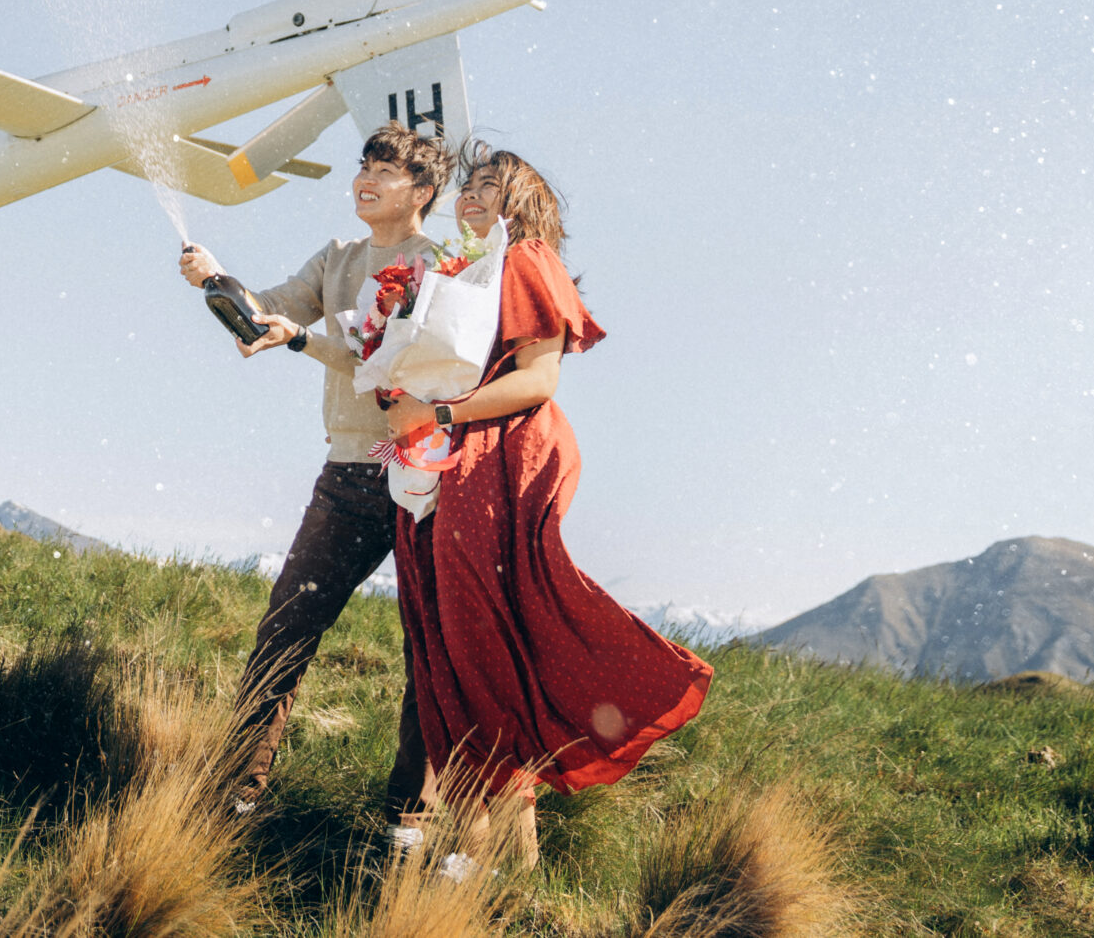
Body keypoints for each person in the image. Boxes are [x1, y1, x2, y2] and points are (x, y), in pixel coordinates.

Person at [380, 145, 712, 866]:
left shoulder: (526, 257)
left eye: (489, 185)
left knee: (477, 643)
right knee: (447, 643)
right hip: (449, 455)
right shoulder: (454, 271)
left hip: (500, 453)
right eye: (467, 184)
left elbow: (539, 378)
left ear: (522, 202)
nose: (470, 195)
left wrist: (441, 408)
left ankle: (475, 851)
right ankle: (504, 855)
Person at [177, 122, 452, 822]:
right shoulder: (338, 256)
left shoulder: (442, 265)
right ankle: (237, 791)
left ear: (421, 191)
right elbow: (267, 315)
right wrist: (217, 281)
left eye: (384, 170)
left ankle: (406, 817)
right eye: (363, 165)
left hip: (424, 478)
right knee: (286, 627)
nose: (365, 178)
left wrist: (296, 338)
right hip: (348, 472)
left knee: (427, 650)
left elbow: (384, 356)